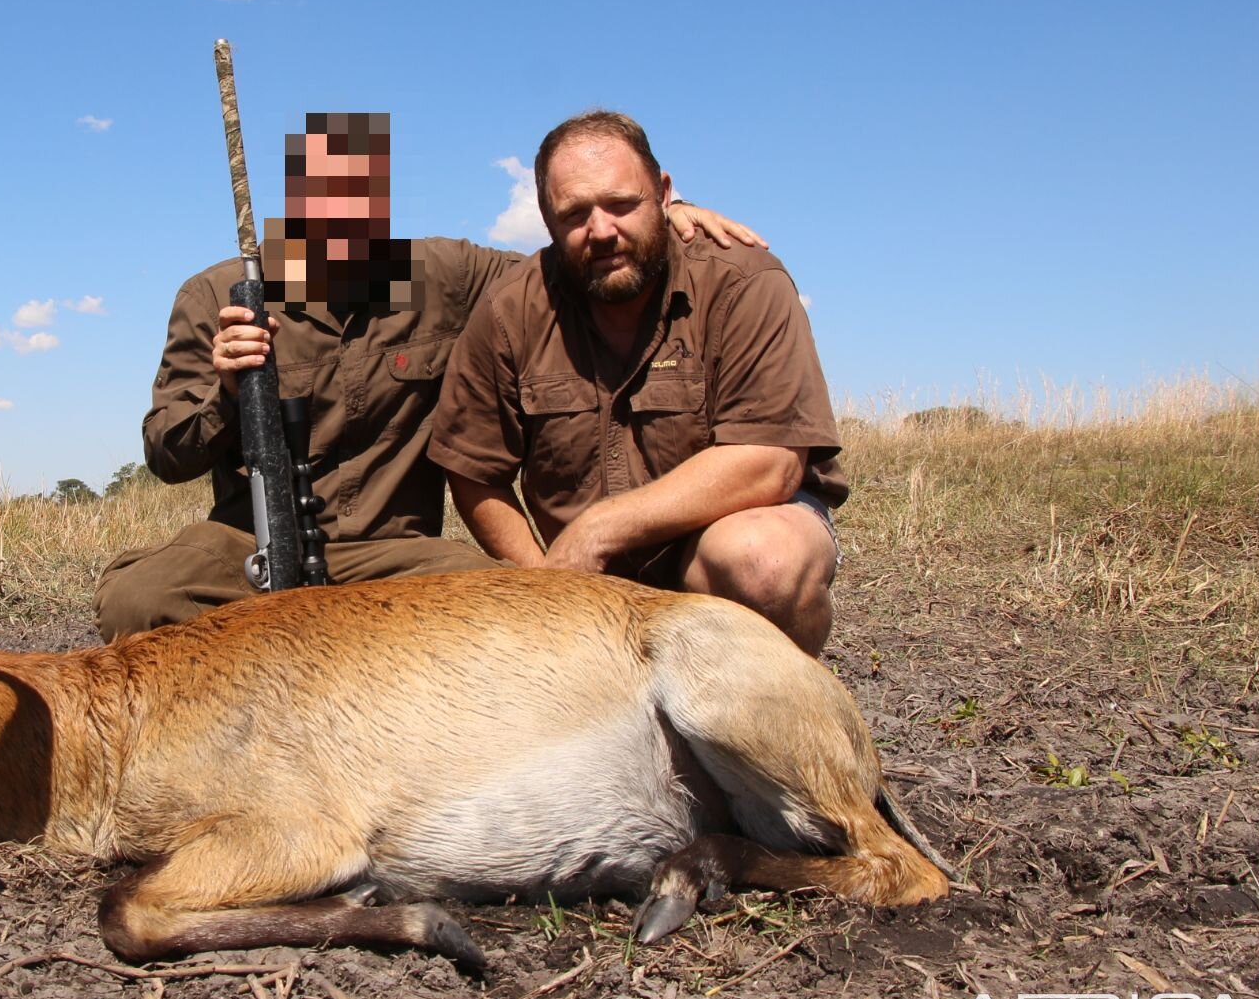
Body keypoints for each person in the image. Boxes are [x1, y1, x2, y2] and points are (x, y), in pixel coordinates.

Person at [92, 112, 760, 641]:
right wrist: (226, 394)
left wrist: (660, 217)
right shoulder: (215, 293)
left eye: (362, 204)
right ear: (293, 205)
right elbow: (165, 452)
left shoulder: (443, 273)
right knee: (138, 599)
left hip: (396, 554)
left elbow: (564, 264)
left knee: (508, 606)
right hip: (248, 547)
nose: (343, 222)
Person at [428, 110, 844, 654]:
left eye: (621, 204)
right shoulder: (510, 310)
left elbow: (769, 461)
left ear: (664, 192)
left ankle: (784, 719)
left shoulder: (745, 281)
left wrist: (597, 530)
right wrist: (546, 585)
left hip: (719, 548)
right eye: (575, 214)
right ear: (547, 218)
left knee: (761, 561)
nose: (601, 231)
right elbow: (475, 472)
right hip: (584, 583)